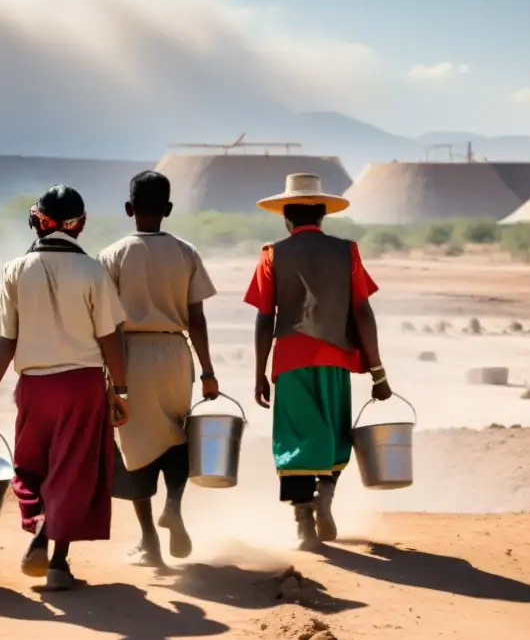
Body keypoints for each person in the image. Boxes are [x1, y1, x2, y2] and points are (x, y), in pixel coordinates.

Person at [0, 185, 130, 591]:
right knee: (74, 472)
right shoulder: (94, 270)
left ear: (36, 221)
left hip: (34, 388)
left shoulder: (14, 269)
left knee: (29, 468)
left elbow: (6, 339)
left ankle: (39, 523)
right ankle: (57, 562)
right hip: (83, 386)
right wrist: (122, 391)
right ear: (80, 226)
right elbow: (110, 338)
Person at [242, 173, 392, 551]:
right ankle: (325, 494)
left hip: (290, 360)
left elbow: (264, 317)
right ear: (323, 215)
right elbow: (363, 312)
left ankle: (303, 522)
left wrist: (260, 372)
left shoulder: (272, 253)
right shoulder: (347, 252)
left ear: (285, 218)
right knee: (333, 433)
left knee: (294, 439)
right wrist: (378, 371)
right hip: (336, 358)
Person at [98, 170, 219, 569]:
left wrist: (112, 378)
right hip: (174, 352)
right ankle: (174, 503)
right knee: (175, 432)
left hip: (129, 355)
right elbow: (197, 318)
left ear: (129, 208)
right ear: (168, 209)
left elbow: (107, 324)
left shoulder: (113, 255)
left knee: (133, 447)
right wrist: (207, 371)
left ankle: (149, 540)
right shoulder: (186, 252)